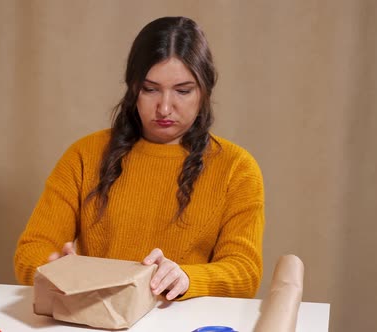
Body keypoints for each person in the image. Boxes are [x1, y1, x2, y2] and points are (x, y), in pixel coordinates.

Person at [14, 16, 264, 301]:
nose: (165, 107)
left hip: (181, 321)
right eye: (150, 89)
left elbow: (244, 272)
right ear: (133, 89)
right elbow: (32, 250)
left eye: (183, 91)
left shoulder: (237, 169)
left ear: (204, 92)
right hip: (95, 318)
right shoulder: (84, 156)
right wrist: (54, 269)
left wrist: (186, 277)